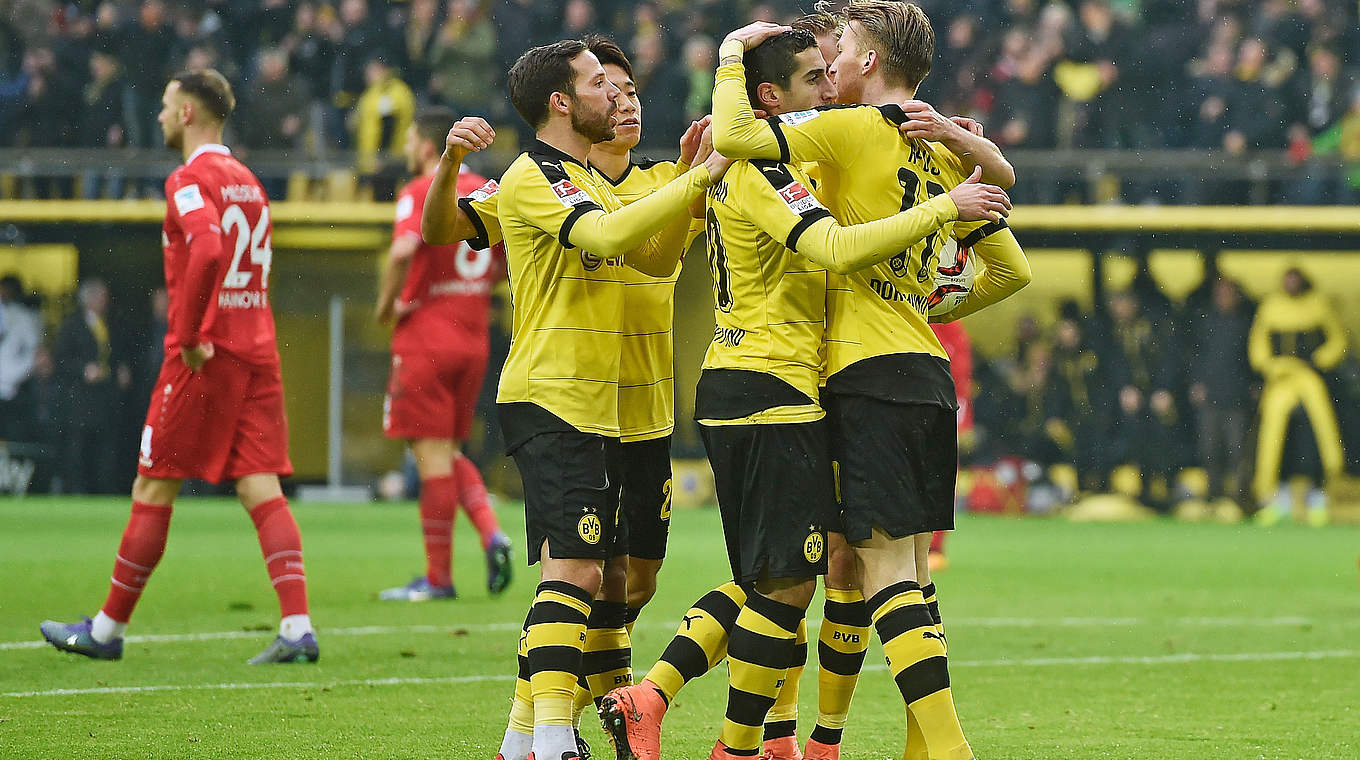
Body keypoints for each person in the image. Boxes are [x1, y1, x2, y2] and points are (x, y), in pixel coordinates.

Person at [602, 19, 1015, 760]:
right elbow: (829, 243)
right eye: (811, 80)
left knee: (803, 571)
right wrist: (948, 201)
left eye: (834, 69)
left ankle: (778, 739)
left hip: (810, 381)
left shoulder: (842, 148)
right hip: (772, 382)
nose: (827, 85)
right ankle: (713, 724)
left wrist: (968, 145)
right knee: (804, 579)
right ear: (773, 97)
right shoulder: (773, 164)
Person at [422, 40, 728, 760]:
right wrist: (448, 166)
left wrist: (684, 183)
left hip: (638, 410)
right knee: (579, 569)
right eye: (604, 86)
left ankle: (528, 729)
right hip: (560, 397)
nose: (623, 99)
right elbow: (448, 231)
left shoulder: (648, 181)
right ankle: (556, 734)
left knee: (628, 579)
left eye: (626, 89)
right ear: (567, 102)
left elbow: (650, 259)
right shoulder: (536, 179)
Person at [40, 69, 317, 664]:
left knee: (153, 483)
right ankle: (297, 629)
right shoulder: (249, 180)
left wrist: (190, 334)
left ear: (189, 112)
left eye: (166, 105)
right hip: (257, 347)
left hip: (206, 353)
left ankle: (107, 632)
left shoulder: (190, 178)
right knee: (260, 483)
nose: (161, 115)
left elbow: (210, 247)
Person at [373, 107, 513, 602]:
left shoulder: (422, 190)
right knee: (449, 450)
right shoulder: (490, 189)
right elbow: (504, 263)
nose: (408, 149)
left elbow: (401, 251)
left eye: (411, 139)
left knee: (430, 456)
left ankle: (438, 578)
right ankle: (492, 532)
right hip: (473, 336)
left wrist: (388, 305)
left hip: (426, 336)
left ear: (427, 146)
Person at [1250, 267, 1347, 526]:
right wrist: (1270, 365)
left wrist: (1317, 361)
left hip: (1309, 379)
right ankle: (1276, 499)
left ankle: (1318, 500)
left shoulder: (1318, 305)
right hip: (1281, 381)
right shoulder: (1271, 307)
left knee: (1317, 437)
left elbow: (1337, 340)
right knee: (1275, 439)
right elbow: (1258, 344)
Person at [54, 278, 132, 493]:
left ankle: (105, 489)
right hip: (81, 399)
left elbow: (117, 354)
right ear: (88, 299)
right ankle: (77, 489)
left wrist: (121, 370)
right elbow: (60, 359)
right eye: (100, 297)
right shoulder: (72, 325)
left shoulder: (110, 324)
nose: (104, 301)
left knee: (107, 446)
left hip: (106, 397)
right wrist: (83, 370)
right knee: (79, 447)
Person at [0, 273, 41, 441]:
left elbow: (35, 352)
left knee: (13, 442)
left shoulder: (24, 317)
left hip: (15, 389)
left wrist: (19, 374)